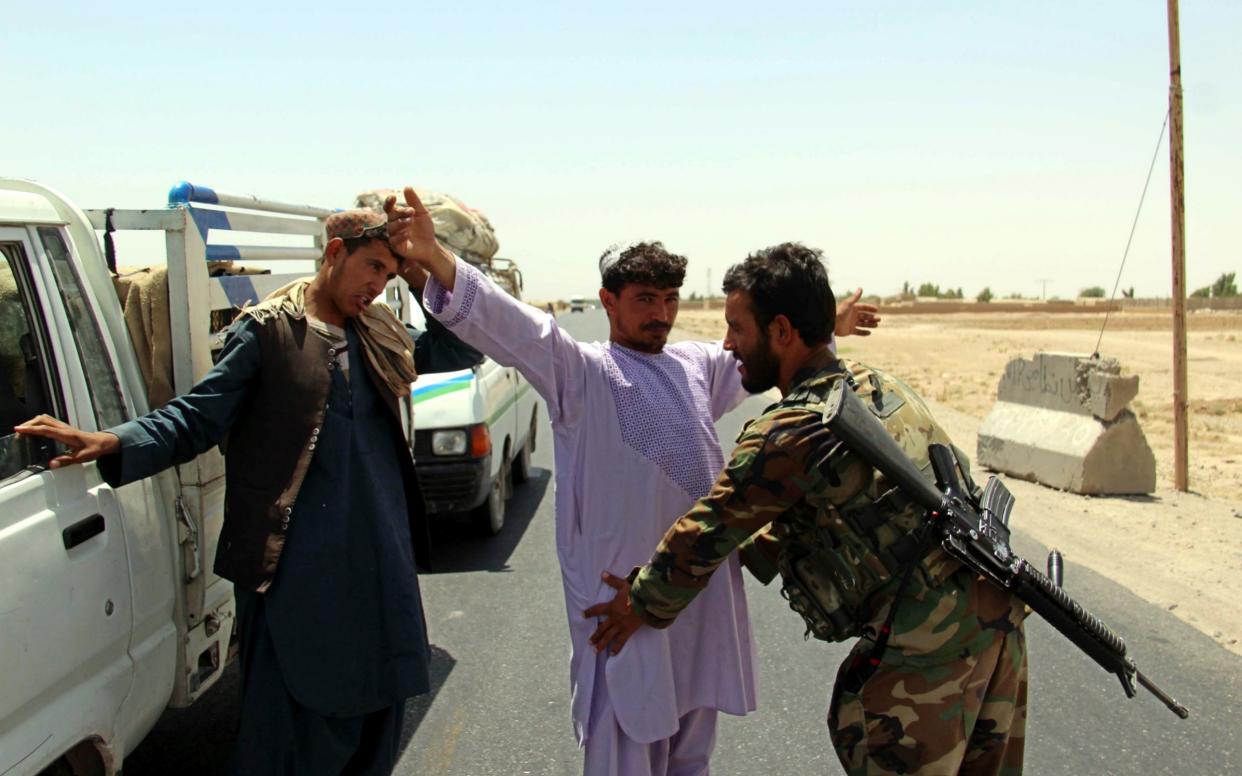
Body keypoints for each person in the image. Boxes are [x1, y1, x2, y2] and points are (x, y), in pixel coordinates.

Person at [383, 188, 880, 776]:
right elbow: (508, 324)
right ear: (608, 302)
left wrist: (830, 324)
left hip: (694, 600)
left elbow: (770, 354)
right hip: (622, 610)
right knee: (627, 751)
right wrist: (439, 260)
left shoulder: (694, 366)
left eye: (669, 299)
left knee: (692, 753)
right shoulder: (580, 373)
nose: (661, 314)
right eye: (645, 299)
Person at [15, 202, 480, 775]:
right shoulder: (266, 334)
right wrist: (112, 442)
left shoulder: (379, 335)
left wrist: (420, 269)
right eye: (374, 268)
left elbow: (460, 350)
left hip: (379, 565)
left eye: (390, 275)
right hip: (294, 575)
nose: (379, 287)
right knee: (291, 738)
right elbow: (196, 417)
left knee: (377, 722)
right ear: (336, 253)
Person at [585, 243, 1028, 776]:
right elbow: (844, 508)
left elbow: (705, 532)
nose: (727, 346)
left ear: (781, 333)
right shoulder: (876, 387)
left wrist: (637, 604)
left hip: (928, 647)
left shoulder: (790, 431)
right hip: (996, 622)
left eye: (737, 329)